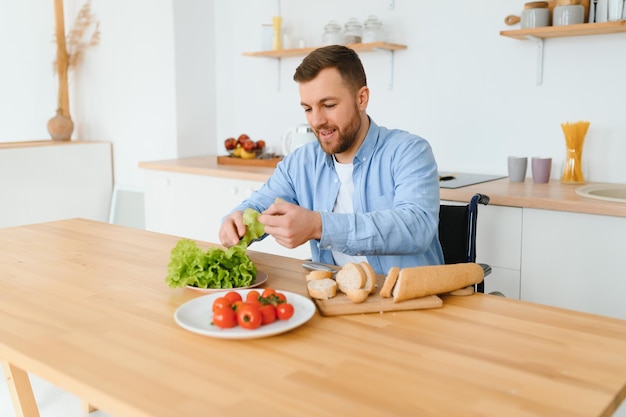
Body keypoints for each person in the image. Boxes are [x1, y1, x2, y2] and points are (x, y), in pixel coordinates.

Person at [219, 45, 443, 275]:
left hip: (410, 301)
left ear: (362, 98)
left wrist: (319, 226)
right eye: (308, 108)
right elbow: (258, 206)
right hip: (336, 297)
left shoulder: (409, 151)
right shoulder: (300, 163)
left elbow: (416, 227)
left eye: (329, 105)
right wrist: (236, 221)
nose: (316, 121)